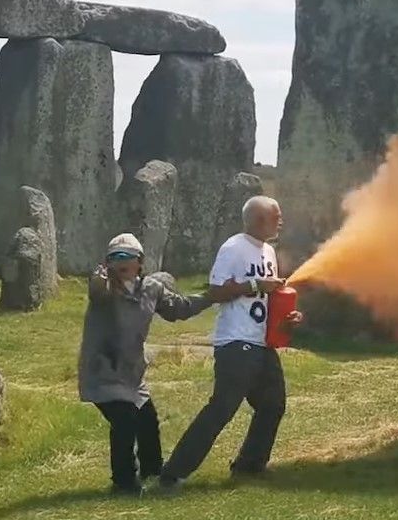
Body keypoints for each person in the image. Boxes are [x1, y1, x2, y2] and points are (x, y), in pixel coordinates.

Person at [77, 233, 245, 496]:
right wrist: (99, 278)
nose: (120, 261)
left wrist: (215, 295)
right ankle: (123, 483)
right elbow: (97, 289)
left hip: (131, 373)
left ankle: (153, 471)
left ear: (139, 262)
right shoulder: (104, 287)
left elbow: (180, 309)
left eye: (126, 256)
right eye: (114, 257)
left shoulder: (151, 289)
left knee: (147, 420)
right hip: (103, 370)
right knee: (124, 422)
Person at [156, 197, 303, 494]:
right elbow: (215, 292)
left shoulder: (269, 251)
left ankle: (249, 467)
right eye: (277, 216)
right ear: (259, 219)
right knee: (222, 408)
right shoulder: (233, 248)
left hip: (262, 343)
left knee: (273, 404)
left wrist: (287, 318)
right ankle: (173, 474)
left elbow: (265, 300)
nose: (281, 221)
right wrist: (254, 286)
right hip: (236, 343)